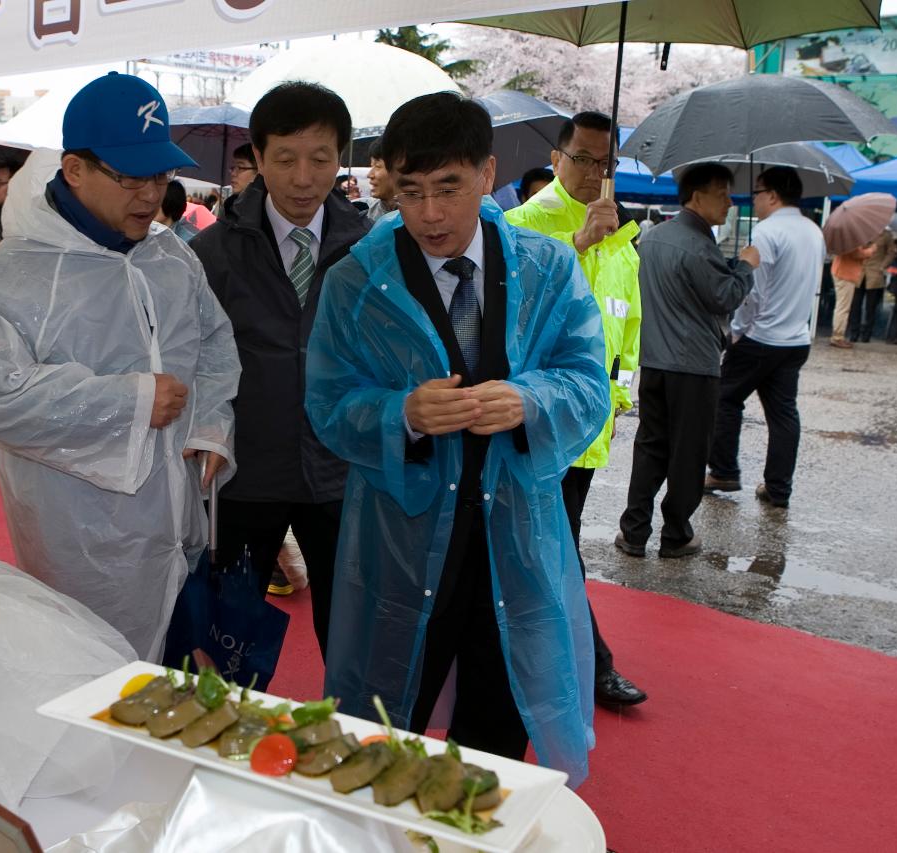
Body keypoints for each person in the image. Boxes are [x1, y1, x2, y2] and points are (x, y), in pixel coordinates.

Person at [304, 92, 610, 784]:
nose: (431, 214)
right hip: (400, 538)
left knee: (500, 716)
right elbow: (326, 404)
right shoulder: (355, 281)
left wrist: (530, 398)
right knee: (384, 717)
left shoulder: (547, 268)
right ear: (386, 183)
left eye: (449, 187)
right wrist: (402, 413)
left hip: (516, 532)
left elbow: (590, 386)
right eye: (409, 192)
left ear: (487, 172)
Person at [0, 72, 240, 661]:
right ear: (74, 170)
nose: (151, 195)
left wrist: (211, 424)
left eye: (162, 176)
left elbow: (214, 344)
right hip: (80, 532)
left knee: (175, 681)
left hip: (176, 514)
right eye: (131, 178)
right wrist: (132, 400)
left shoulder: (169, 256)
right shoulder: (15, 275)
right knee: (84, 673)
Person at [191, 82, 368, 657]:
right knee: (228, 630)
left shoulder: (370, 249)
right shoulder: (211, 253)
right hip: (245, 474)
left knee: (351, 632)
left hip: (341, 473)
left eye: (320, 159)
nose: (302, 178)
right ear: (258, 159)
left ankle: (356, 738)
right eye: (285, 159)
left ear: (341, 157)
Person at [505, 110, 646, 709]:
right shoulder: (520, 223)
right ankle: (591, 664)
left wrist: (621, 398)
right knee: (553, 546)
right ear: (557, 158)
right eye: (583, 158)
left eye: (605, 163)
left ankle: (556, 658)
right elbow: (509, 300)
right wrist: (579, 241)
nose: (594, 172)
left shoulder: (625, 240)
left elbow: (627, 328)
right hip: (534, 422)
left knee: (551, 543)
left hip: (590, 428)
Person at [616, 164, 758, 559]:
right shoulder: (697, 245)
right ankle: (676, 533)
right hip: (693, 366)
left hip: (656, 360)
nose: (729, 203)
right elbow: (724, 296)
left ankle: (634, 531)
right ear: (697, 196)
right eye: (722, 194)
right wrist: (746, 266)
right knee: (688, 453)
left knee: (650, 448)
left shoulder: (654, 237)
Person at [705, 167, 825, 510]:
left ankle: (724, 470)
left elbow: (752, 291)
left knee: (724, 398)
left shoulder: (768, 231)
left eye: (756, 193)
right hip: (796, 339)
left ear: (772, 194)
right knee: (784, 414)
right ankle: (778, 488)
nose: (753, 200)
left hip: (761, 336)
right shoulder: (813, 230)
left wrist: (737, 330)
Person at [848, 228, 895, 343]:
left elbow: (892, 252)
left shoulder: (886, 235)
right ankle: (854, 333)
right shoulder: (862, 232)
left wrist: (883, 266)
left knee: (871, 308)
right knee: (855, 306)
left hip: (875, 274)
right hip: (859, 273)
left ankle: (866, 334)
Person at [829, 239, 876, 349]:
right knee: (843, 307)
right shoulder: (850, 239)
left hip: (842, 272)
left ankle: (838, 335)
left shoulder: (846, 236)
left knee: (842, 306)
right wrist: (871, 250)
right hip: (845, 273)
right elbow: (856, 254)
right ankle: (837, 337)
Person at [364, 140, 398, 222]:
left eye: (377, 166)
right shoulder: (365, 213)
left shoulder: (416, 215)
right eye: (371, 166)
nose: (369, 175)